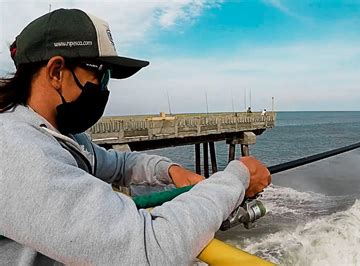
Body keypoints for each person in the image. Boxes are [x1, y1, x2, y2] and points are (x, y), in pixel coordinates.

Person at [0, 9, 271, 265]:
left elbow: (118, 164)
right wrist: (237, 177)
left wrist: (170, 170)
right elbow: (147, 250)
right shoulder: (16, 151)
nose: (105, 89)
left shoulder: (64, 136)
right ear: (57, 72)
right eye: (101, 75)